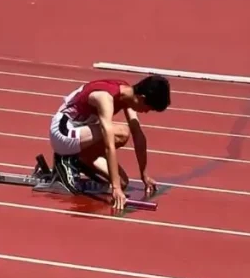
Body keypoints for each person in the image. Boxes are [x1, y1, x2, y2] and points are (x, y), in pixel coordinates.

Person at [48, 74, 171, 210]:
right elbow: (109, 144)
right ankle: (63, 158)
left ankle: (77, 158)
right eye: (149, 109)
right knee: (121, 132)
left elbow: (138, 133)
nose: (147, 112)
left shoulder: (128, 94)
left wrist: (144, 174)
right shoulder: (105, 98)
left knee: (123, 181)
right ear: (142, 98)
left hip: (81, 133)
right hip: (62, 132)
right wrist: (115, 188)